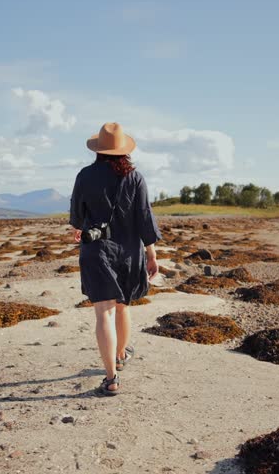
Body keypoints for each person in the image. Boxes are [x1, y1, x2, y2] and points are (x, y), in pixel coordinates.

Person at [70, 122, 162, 396]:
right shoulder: (135, 178)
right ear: (123, 150)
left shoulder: (85, 176)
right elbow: (145, 217)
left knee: (104, 313)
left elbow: (76, 217)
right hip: (129, 253)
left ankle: (111, 378)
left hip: (97, 251)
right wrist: (152, 253)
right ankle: (121, 355)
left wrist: (82, 226)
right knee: (123, 306)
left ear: (99, 150)